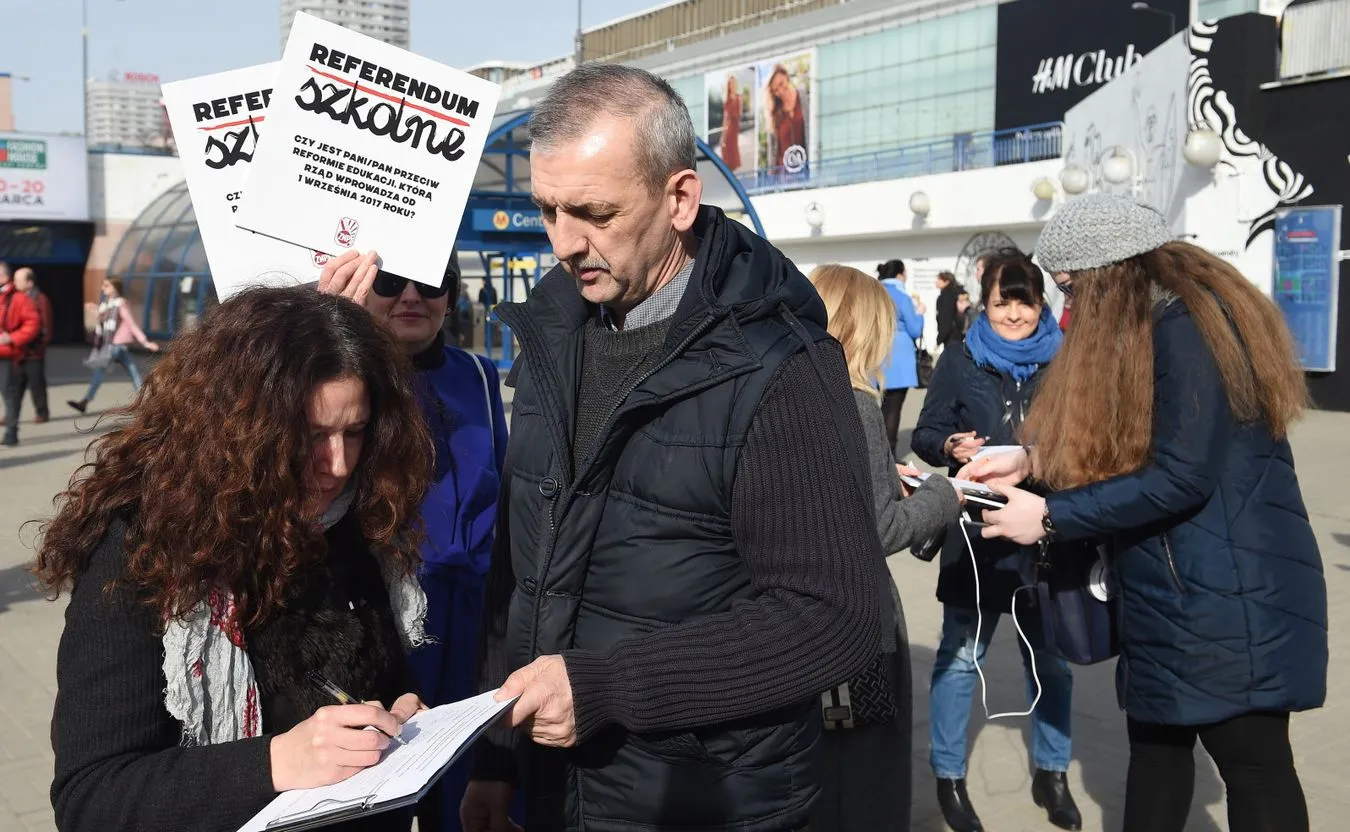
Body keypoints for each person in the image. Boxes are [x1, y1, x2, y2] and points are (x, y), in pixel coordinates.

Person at [462, 64, 884, 832]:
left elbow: (835, 617)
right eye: (547, 210)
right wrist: (494, 755)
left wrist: (607, 687)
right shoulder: (552, 335)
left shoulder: (779, 364)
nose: (563, 242)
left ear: (680, 198)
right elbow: (519, 574)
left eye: (593, 212)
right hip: (557, 796)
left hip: (710, 805)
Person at [963, 194, 1327, 832]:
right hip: (1175, 585)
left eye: (1073, 289)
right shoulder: (1161, 322)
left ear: (1113, 272)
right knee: (1157, 753)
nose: (1068, 306)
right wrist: (1031, 460)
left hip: (1223, 593)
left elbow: (1180, 475)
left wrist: (1048, 517)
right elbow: (1140, 439)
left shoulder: (1189, 329)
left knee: (1253, 764)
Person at [42, 286, 435, 832]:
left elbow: (364, 681)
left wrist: (393, 721)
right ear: (243, 432)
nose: (339, 465)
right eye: (313, 436)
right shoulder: (146, 548)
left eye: (355, 431)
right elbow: (92, 797)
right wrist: (274, 763)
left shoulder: (356, 522)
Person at [317, 251, 512, 832]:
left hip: (477, 623)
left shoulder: (479, 375)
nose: (411, 297)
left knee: (471, 781)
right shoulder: (342, 386)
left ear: (452, 295)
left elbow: (505, 495)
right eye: (390, 280)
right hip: (387, 617)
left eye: (431, 282)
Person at [911, 251, 1079, 832]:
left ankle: (1052, 772)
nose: (1013, 315)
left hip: (1049, 533)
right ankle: (949, 777)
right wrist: (949, 446)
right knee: (960, 661)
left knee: (1054, 665)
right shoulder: (960, 358)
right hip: (976, 538)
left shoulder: (1068, 361)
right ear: (986, 303)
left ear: (1041, 305)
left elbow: (1089, 442)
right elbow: (927, 433)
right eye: (1003, 302)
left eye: (1025, 302)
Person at [807, 264, 963, 832]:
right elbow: (881, 530)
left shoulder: (780, 393)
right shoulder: (855, 404)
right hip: (857, 629)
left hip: (793, 624)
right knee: (868, 779)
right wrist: (946, 494)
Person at [67, 278, 160, 413]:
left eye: (106, 286)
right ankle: (145, 403)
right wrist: (93, 309)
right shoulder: (108, 304)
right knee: (132, 372)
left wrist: (145, 342)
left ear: (115, 288)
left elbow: (131, 324)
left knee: (104, 372)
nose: (102, 288)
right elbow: (101, 316)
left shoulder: (120, 304)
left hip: (115, 346)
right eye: (102, 285)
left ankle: (85, 401)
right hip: (115, 346)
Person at [877, 259, 925, 453]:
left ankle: (877, 450)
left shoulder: (875, 293)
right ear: (899, 275)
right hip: (900, 357)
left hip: (877, 354)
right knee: (894, 408)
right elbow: (914, 330)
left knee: (881, 406)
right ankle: (891, 454)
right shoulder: (902, 296)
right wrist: (920, 314)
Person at [1, 260, 41, 447]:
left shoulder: (19, 299)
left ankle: (11, 432)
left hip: (8, 354)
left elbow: (33, 324)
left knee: (10, 393)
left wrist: (12, 338)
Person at [11, 267, 52, 423]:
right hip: (18, 350)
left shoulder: (40, 299)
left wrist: (40, 346)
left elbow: (46, 327)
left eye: (18, 280)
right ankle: (12, 414)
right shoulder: (16, 299)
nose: (14, 283)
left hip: (34, 352)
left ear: (29, 282)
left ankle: (42, 413)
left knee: (36, 384)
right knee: (15, 385)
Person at [935, 270, 962, 349]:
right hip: (959, 335)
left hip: (951, 337)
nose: (936, 282)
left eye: (939, 280)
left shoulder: (946, 297)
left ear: (947, 282)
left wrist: (939, 340)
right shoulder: (956, 294)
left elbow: (946, 319)